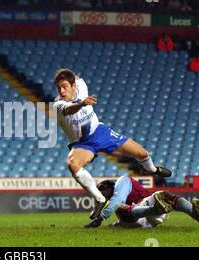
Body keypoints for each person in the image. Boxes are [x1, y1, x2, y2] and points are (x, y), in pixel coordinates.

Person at [52, 69, 172, 220]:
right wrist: (82, 103)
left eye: (64, 86)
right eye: (59, 88)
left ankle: (153, 169)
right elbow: (69, 110)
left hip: (100, 132)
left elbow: (75, 75)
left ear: (74, 85)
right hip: (82, 143)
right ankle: (99, 199)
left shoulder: (81, 85)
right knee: (73, 164)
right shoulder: (58, 104)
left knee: (141, 153)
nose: (62, 91)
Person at [84, 176, 199, 228]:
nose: (102, 196)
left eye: (102, 192)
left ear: (108, 187)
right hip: (146, 221)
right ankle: (159, 208)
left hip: (148, 205)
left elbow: (116, 201)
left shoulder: (122, 182)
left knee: (163, 195)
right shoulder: (111, 199)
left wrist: (98, 220)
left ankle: (194, 213)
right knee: (123, 212)